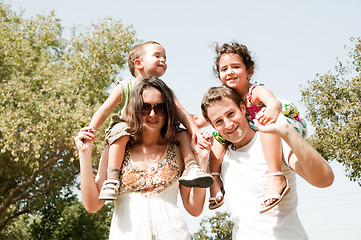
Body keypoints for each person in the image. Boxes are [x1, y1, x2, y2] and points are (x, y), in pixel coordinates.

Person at [75, 78, 208, 239]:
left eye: (160, 108)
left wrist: (202, 161)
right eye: (145, 108)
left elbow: (194, 208)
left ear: (168, 111)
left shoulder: (179, 148)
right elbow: (92, 205)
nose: (153, 114)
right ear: (135, 109)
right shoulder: (116, 149)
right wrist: (84, 154)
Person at [200, 86, 334, 239]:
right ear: (213, 126)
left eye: (231, 114)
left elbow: (325, 179)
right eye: (219, 121)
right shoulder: (222, 158)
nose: (228, 124)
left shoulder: (273, 142)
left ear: (242, 108)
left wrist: (289, 132)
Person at [86, 41, 213, 200]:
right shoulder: (125, 86)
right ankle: (112, 178)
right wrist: (91, 129)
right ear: (138, 63)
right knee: (120, 134)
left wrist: (197, 133)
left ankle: (191, 166)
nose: (163, 61)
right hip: (125, 127)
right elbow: (105, 109)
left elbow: (182, 113)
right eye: (157, 56)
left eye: (165, 58)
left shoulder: (164, 91)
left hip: (153, 131)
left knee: (182, 134)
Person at [195, 42, 307, 213]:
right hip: (255, 126)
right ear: (219, 77)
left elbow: (274, 104)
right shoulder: (225, 100)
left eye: (235, 66)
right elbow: (199, 120)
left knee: (264, 121)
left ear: (249, 71)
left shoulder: (255, 91)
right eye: (224, 69)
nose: (230, 72)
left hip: (286, 123)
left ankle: (276, 175)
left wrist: (268, 112)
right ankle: (215, 180)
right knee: (218, 134)